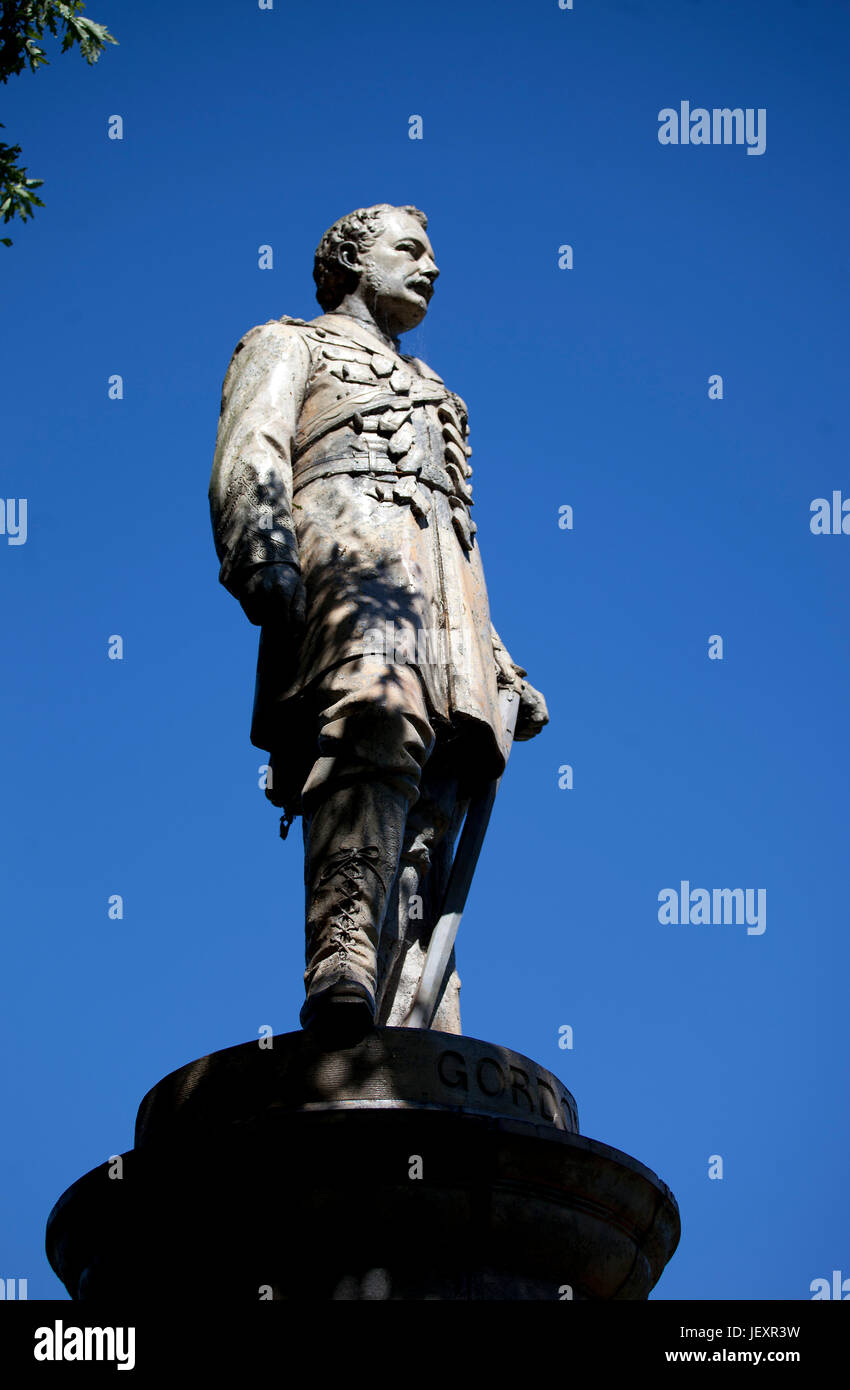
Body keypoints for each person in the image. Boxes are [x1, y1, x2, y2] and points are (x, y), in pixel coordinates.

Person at [209, 203, 547, 1038]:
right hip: (345, 570)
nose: (431, 267)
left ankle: (412, 1019)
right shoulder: (289, 342)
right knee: (375, 720)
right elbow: (253, 447)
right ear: (356, 260)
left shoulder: (440, 392)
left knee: (436, 805)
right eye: (411, 249)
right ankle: (341, 955)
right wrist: (262, 551)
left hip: (443, 612)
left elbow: (455, 533)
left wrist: (498, 661)